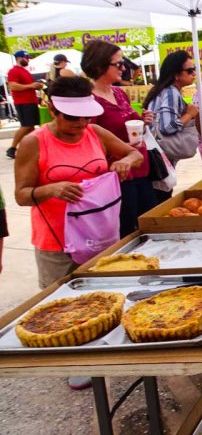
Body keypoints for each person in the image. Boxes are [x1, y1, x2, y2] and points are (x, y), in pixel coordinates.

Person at [14, 76, 142, 288]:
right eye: (73, 117)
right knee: (61, 307)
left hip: (100, 235)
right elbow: (21, 196)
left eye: (87, 116)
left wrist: (125, 162)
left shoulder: (95, 133)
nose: (82, 123)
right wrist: (51, 189)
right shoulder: (34, 142)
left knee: (109, 294)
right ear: (52, 110)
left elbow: (134, 154)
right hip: (57, 243)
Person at [81, 39, 156, 237]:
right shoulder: (89, 100)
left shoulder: (119, 93)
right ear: (99, 65)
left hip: (140, 167)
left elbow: (126, 124)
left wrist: (142, 121)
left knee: (149, 223)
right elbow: (88, 139)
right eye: (118, 64)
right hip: (118, 175)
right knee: (128, 230)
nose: (124, 68)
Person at [143, 51, 200, 200]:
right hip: (160, 161)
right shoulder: (171, 92)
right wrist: (190, 114)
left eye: (194, 69)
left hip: (153, 157)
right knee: (161, 198)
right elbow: (167, 127)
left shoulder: (161, 90)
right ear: (176, 74)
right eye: (189, 70)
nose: (193, 73)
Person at [6, 50, 43, 159]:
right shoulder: (14, 71)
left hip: (30, 101)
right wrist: (31, 86)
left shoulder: (24, 71)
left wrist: (36, 85)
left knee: (31, 127)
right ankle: (12, 148)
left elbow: (27, 85)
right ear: (19, 58)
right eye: (26, 58)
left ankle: (32, 148)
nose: (28, 60)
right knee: (26, 126)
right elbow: (12, 86)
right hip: (23, 102)